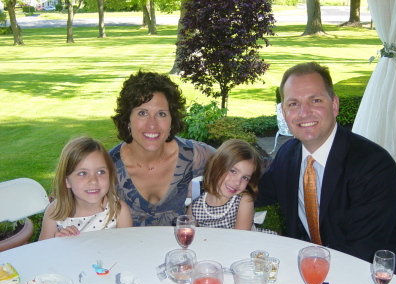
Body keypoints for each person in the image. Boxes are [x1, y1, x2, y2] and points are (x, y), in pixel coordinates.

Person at [257, 62, 396, 284]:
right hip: (327, 280)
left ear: (334, 105)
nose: (304, 113)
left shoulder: (373, 166)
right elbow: (257, 191)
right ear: (284, 113)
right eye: (293, 104)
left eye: (315, 100)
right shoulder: (289, 155)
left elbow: (360, 253)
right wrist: (221, 186)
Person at [110, 70, 215, 226]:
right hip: (127, 249)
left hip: (180, 248)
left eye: (161, 114)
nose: (152, 124)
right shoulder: (109, 167)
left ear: (172, 120)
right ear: (127, 120)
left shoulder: (191, 155)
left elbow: (244, 164)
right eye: (143, 113)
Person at [39, 137, 133, 240]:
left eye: (101, 172)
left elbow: (127, 250)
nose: (93, 180)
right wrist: (57, 244)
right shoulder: (54, 212)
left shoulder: (118, 210)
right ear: (67, 181)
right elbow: (43, 254)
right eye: (82, 173)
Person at [187, 139, 262, 230]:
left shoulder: (243, 201)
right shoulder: (196, 207)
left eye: (245, 178)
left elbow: (241, 239)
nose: (237, 182)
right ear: (216, 166)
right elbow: (187, 234)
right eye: (233, 171)